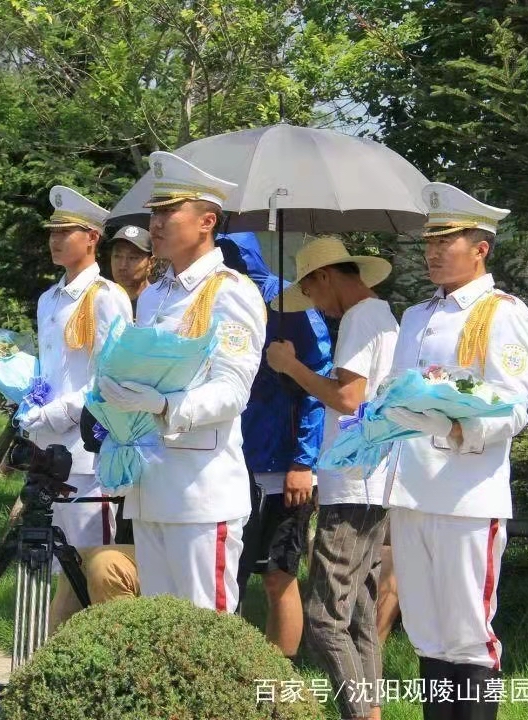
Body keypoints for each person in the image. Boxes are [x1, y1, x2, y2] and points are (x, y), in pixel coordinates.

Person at [383, 183, 528, 720]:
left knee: (469, 635)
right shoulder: (415, 317)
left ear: (481, 248)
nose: (432, 252)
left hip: (467, 492)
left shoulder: (502, 314)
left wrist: (455, 430)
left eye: (446, 241)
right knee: (427, 634)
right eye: (429, 241)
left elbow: (513, 408)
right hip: (411, 489)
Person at [98, 151, 266, 612]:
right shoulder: (153, 294)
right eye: (155, 211)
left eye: (170, 211)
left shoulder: (230, 290)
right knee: (161, 634)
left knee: (205, 636)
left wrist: (164, 405)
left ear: (206, 221)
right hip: (151, 485)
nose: (157, 221)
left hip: (201, 491)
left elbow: (234, 389)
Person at [267, 236, 399, 720]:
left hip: (353, 482)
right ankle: (372, 711)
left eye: (312, 293)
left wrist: (291, 365)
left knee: (325, 616)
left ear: (325, 277)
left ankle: (358, 714)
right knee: (361, 610)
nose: (316, 307)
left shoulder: (361, 320)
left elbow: (348, 400)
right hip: (373, 478)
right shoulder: (384, 316)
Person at [16, 185, 133, 631]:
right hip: (48, 450)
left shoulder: (106, 296)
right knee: (49, 561)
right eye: (53, 231)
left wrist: (57, 412)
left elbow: (109, 377)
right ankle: (50, 653)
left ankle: (88, 657)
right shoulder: (50, 299)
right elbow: (51, 371)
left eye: (68, 231)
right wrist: (30, 402)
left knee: (87, 565)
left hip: (87, 453)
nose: (57, 239)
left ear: (92, 238)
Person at [216, 231, 332, 659]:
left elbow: (318, 384)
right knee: (229, 572)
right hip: (226, 460)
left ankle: (278, 681)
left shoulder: (287, 301)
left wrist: (303, 461)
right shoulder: (214, 297)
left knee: (277, 574)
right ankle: (230, 674)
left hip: (281, 465)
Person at [108, 225, 154, 309]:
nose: (122, 266)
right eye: (117, 256)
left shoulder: (161, 304)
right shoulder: (101, 302)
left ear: (150, 263)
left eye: (133, 258)